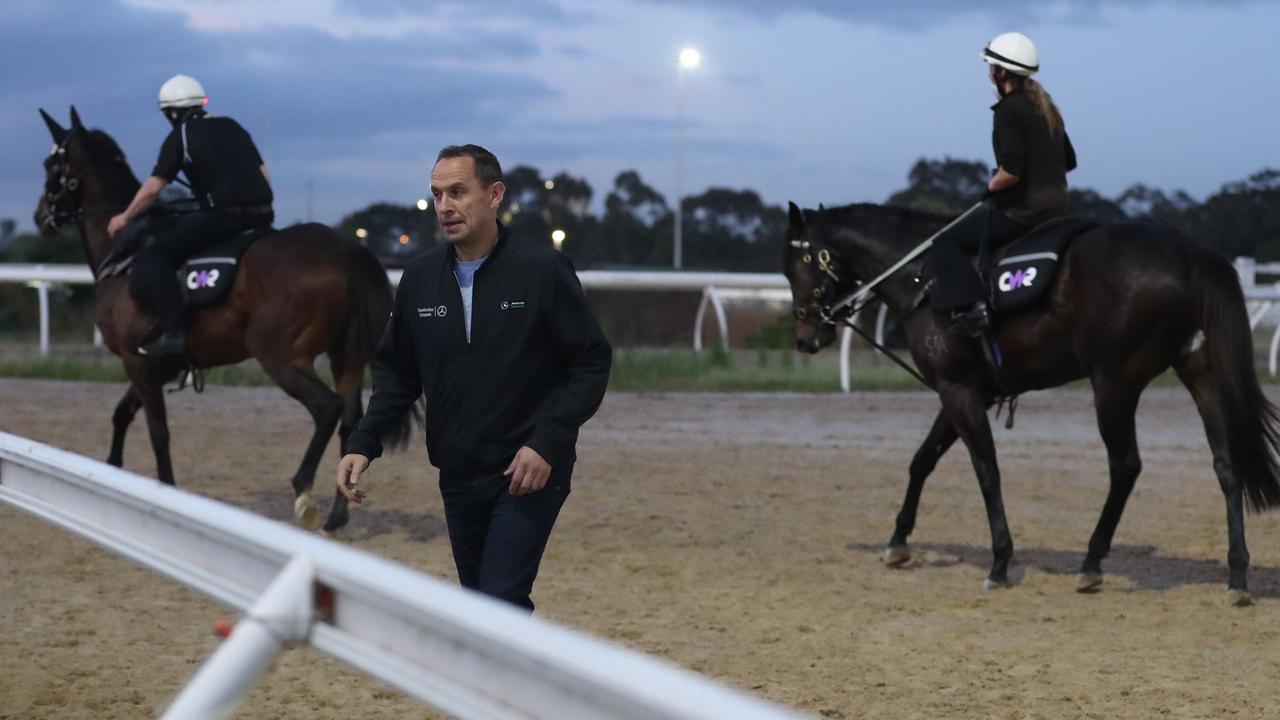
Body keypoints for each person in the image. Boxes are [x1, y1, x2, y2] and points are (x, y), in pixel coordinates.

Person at [337, 144, 612, 612]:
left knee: (500, 604)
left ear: (494, 194)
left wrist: (546, 442)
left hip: (528, 473)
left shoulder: (541, 270)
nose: (445, 206)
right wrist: (363, 443)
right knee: (481, 611)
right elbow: (398, 375)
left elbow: (590, 363)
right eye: (438, 194)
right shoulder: (420, 279)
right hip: (457, 476)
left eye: (459, 192)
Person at [107, 74, 274, 356]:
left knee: (154, 256)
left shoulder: (180, 136)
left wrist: (123, 218)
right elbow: (264, 177)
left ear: (172, 113)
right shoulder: (233, 126)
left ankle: (174, 332)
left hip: (224, 218)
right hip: (263, 216)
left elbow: (153, 188)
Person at [929, 32, 1077, 335]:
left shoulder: (1009, 111)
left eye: (990, 69)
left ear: (1002, 73)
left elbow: (1011, 171)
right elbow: (1069, 161)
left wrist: (990, 186)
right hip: (1059, 207)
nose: (989, 76)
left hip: (1025, 212)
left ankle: (972, 310)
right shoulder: (1047, 108)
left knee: (946, 241)